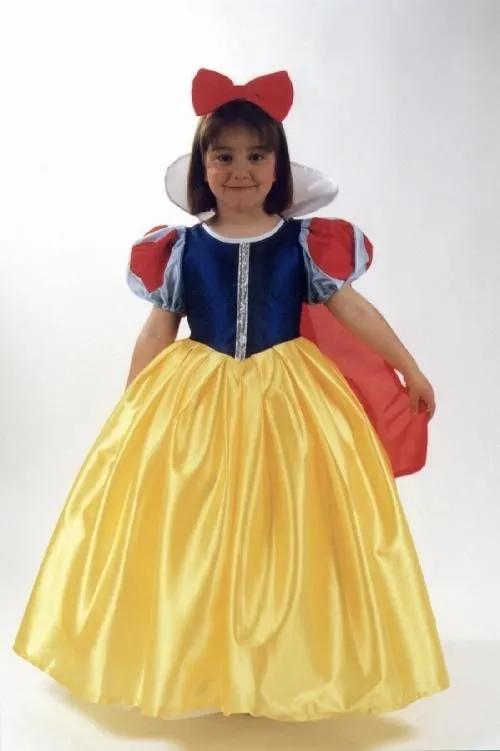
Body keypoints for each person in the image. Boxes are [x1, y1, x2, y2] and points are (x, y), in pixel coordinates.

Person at [13, 68, 449, 722]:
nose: (240, 170)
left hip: (289, 400)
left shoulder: (304, 244)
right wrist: (132, 408)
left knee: (289, 521)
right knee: (194, 526)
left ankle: (284, 661)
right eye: (223, 156)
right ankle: (197, 657)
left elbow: (353, 310)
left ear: (278, 167)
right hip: (198, 400)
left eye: (256, 155)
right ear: (202, 167)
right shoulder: (181, 249)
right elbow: (157, 329)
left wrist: (408, 368)